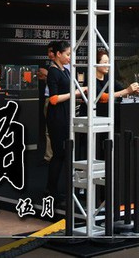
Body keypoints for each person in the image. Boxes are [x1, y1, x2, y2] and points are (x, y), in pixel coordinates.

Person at [45, 40, 87, 200]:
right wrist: (75, 93)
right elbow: (54, 99)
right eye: (67, 54)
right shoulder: (53, 71)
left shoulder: (65, 71)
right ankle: (51, 190)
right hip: (57, 118)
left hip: (65, 116)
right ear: (58, 54)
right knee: (59, 154)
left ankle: (56, 188)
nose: (70, 57)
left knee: (64, 154)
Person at [79, 49, 139, 116]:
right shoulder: (90, 79)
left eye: (108, 62)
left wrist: (133, 91)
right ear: (96, 64)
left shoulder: (108, 78)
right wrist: (127, 90)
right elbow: (103, 97)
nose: (108, 65)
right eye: (105, 62)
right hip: (90, 115)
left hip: (105, 114)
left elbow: (121, 91)